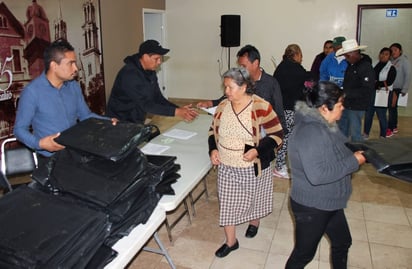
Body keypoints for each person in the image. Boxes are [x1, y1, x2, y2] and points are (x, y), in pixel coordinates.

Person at [285, 81, 366, 269]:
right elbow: (318, 176)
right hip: (312, 206)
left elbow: (341, 148)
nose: (343, 108)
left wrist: (364, 151)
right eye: (339, 105)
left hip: (329, 201)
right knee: (303, 255)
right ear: (324, 108)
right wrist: (354, 161)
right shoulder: (310, 132)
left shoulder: (327, 123)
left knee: (342, 242)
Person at [208, 67, 283, 258]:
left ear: (244, 87)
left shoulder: (261, 106)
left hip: (251, 165)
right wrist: (213, 149)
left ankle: (254, 222)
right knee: (227, 203)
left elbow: (277, 134)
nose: (226, 92)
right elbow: (212, 131)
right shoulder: (223, 106)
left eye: (230, 87)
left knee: (254, 198)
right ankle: (231, 242)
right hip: (226, 165)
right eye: (225, 87)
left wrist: (257, 150)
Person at [14, 39, 117, 164]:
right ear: (54, 66)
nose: (76, 68)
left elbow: (86, 116)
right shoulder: (32, 92)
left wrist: (108, 122)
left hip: (76, 153)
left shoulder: (73, 86)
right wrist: (39, 143)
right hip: (50, 160)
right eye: (71, 63)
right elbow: (19, 129)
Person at [106, 39, 198, 124]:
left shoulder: (150, 72)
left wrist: (179, 109)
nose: (159, 62)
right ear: (145, 57)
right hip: (119, 122)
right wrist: (177, 112)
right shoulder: (129, 75)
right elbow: (146, 105)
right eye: (156, 58)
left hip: (135, 120)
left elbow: (158, 98)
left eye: (160, 58)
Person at [197, 44, 286, 131]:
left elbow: (279, 113)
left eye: (243, 66)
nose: (240, 69)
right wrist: (210, 103)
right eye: (239, 66)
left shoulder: (271, 83)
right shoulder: (240, 80)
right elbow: (226, 98)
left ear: (255, 63)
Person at [273, 44, 312, 179]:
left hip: (280, 108)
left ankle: (281, 164)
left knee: (285, 137)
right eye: (301, 55)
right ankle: (279, 166)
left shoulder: (280, 67)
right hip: (290, 109)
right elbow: (307, 82)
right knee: (287, 138)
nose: (302, 58)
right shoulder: (296, 69)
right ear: (296, 55)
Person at [336, 39, 375, 142]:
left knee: (355, 134)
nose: (346, 59)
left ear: (354, 53)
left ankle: (358, 155)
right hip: (346, 104)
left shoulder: (366, 67)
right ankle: (343, 153)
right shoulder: (351, 66)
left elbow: (367, 89)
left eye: (347, 56)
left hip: (357, 106)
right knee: (342, 131)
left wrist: (346, 93)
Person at [363, 47, 397, 139]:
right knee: (369, 114)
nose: (383, 56)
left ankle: (383, 135)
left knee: (381, 115)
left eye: (386, 54)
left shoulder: (391, 68)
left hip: (383, 94)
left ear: (389, 57)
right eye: (382, 53)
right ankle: (366, 133)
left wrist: (377, 83)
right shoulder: (374, 64)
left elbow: (389, 81)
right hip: (372, 93)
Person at [387, 43, 411, 135]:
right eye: (391, 50)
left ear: (400, 51)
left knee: (392, 107)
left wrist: (404, 89)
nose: (393, 52)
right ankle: (393, 126)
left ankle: (391, 127)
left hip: (397, 88)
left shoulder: (404, 61)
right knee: (392, 108)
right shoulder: (391, 61)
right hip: (390, 88)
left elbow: (408, 75)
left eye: (395, 50)